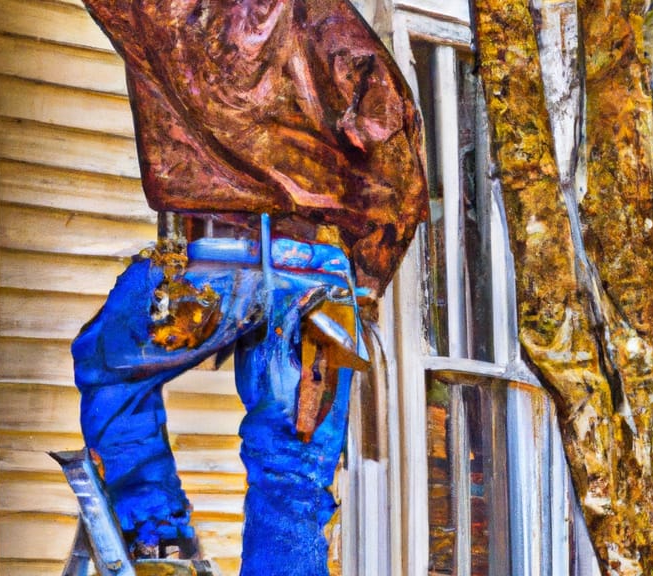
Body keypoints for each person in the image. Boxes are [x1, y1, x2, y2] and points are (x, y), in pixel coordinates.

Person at [71, 1, 428, 573]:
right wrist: (366, 277)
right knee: (294, 472)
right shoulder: (332, 20)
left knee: (107, 364)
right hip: (319, 271)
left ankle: (158, 537)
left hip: (214, 259)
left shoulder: (169, 10)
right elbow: (394, 144)